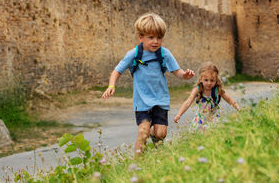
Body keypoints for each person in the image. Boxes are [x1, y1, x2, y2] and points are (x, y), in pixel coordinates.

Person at [102, 12, 195, 155]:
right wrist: (111, 86)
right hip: (142, 101)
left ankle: (155, 136)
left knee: (161, 133)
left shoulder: (164, 54)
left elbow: (177, 71)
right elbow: (117, 71)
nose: (155, 41)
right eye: (151, 37)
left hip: (160, 100)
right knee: (142, 132)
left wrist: (185, 75)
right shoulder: (134, 54)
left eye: (159, 38)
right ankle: (138, 164)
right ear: (141, 37)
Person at [173, 63, 240, 129]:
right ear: (201, 79)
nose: (209, 83)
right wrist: (179, 114)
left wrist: (238, 107)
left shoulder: (217, 90)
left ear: (216, 80)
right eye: (206, 80)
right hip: (200, 119)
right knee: (197, 134)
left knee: (213, 132)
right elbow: (188, 102)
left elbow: (229, 99)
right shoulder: (198, 89)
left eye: (212, 80)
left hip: (214, 118)